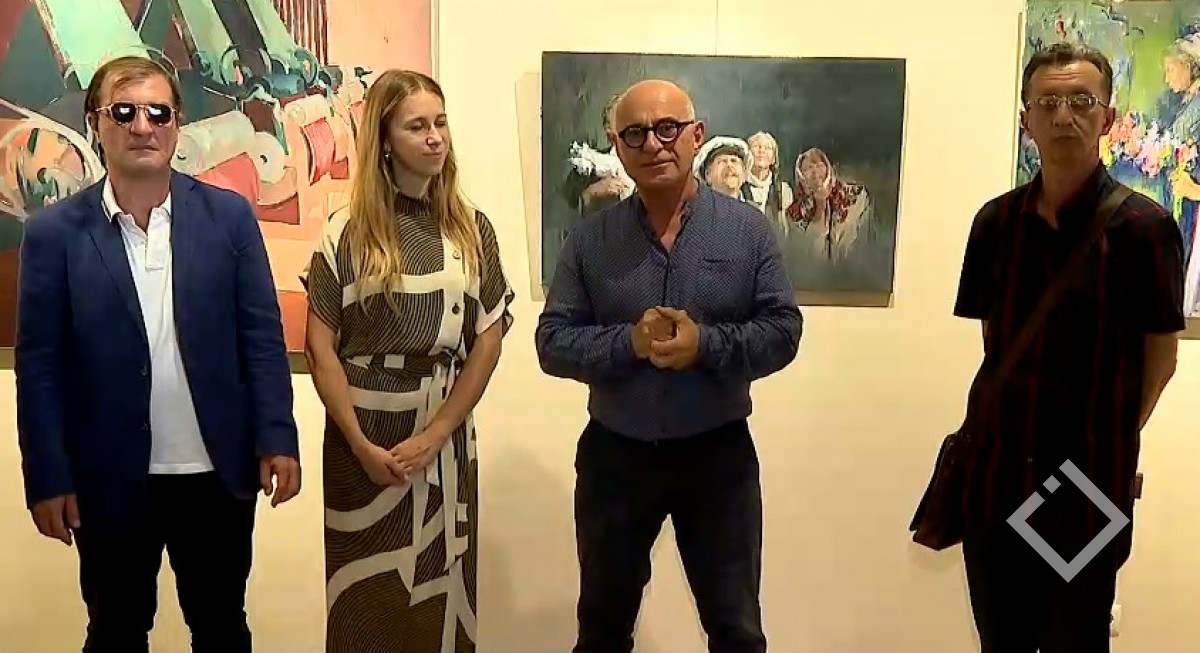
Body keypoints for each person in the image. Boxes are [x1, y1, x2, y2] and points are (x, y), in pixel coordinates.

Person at [14, 55, 301, 653]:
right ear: (95, 124)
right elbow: (39, 368)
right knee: (115, 632)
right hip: (107, 477)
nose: (142, 126)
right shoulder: (53, 234)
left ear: (177, 123)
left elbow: (261, 337)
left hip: (216, 471)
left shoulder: (228, 217)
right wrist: (47, 475)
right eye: (123, 112)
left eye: (158, 113)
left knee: (221, 627)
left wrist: (277, 437)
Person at [535, 79, 803, 653]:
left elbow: (783, 332)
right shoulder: (590, 240)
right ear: (617, 146)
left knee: (736, 630)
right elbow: (552, 343)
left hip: (717, 454)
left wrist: (705, 344)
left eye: (667, 129)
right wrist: (629, 343)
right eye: (635, 133)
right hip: (616, 455)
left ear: (696, 135)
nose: (653, 144)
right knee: (602, 631)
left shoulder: (748, 231)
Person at [953, 42, 1183, 652]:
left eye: (1082, 102)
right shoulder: (995, 225)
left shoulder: (1146, 230)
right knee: (1001, 641)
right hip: (996, 479)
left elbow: (1160, 360)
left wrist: (1103, 435)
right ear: (1025, 120)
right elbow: (996, 344)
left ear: (1108, 118)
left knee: (1074, 641)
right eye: (1047, 103)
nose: (1064, 117)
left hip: (1086, 489)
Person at [303, 69, 515, 653]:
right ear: (384, 140)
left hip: (442, 438)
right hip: (362, 443)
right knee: (366, 605)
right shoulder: (345, 232)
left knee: (439, 605)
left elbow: (488, 340)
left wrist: (437, 433)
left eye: (440, 123)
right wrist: (359, 443)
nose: (434, 137)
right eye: (417, 126)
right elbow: (320, 348)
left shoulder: (471, 229)